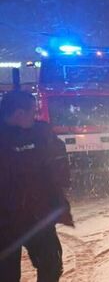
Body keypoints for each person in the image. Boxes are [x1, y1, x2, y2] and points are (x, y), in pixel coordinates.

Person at [0, 91, 73, 282]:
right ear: (18, 114)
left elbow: (58, 162)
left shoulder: (40, 132)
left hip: (36, 216)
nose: (36, 116)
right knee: (7, 274)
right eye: (33, 112)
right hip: (6, 222)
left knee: (51, 264)